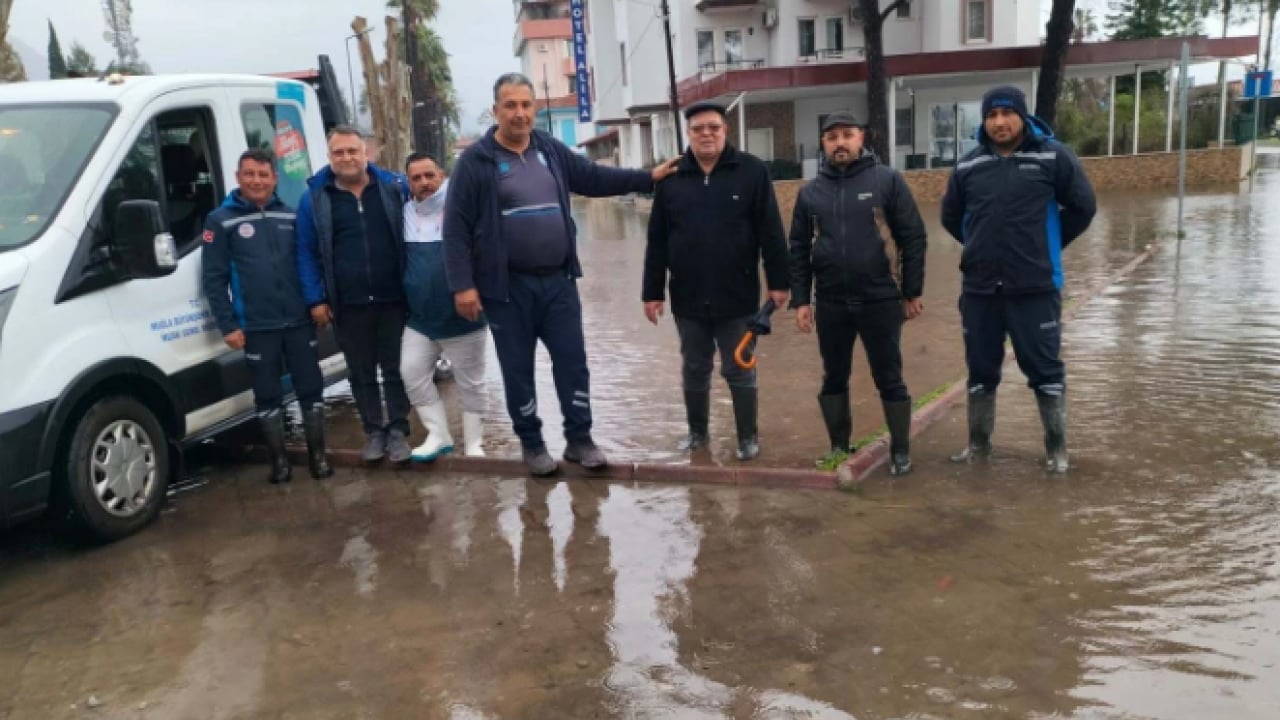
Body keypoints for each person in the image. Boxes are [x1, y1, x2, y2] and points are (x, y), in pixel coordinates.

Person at [443, 72, 679, 476]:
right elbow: (455, 228)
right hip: (507, 289)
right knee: (517, 368)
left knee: (573, 362)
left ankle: (580, 440)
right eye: (510, 105)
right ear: (495, 110)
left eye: (525, 105)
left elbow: (593, 178)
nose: (519, 114)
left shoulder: (549, 150)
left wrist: (647, 178)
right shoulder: (476, 163)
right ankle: (533, 445)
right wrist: (463, 285)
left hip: (558, 282)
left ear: (535, 108)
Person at [941, 85, 1097, 473]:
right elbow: (951, 218)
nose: (998, 122)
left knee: (1045, 370)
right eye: (991, 115)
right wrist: (981, 247)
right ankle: (979, 448)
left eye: (1007, 114)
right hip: (980, 290)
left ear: (1023, 116)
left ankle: (1056, 450)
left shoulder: (1053, 157)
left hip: (1035, 288)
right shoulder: (968, 166)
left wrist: (1045, 246)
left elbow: (1083, 206)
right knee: (980, 371)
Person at [642, 101, 789, 461]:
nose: (706, 134)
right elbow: (657, 238)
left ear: (725, 131)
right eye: (698, 129)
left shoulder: (752, 172)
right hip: (688, 296)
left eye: (713, 127)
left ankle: (747, 439)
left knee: (739, 366)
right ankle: (697, 436)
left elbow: (771, 231)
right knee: (694, 366)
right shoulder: (671, 178)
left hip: (737, 295)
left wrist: (780, 282)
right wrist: (652, 292)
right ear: (688, 134)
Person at [789, 111, 927, 475]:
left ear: (861, 138)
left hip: (881, 299)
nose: (840, 143)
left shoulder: (887, 181)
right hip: (831, 303)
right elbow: (798, 249)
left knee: (889, 376)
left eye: (847, 135)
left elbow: (913, 237)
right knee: (833, 376)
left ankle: (900, 450)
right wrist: (802, 300)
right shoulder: (810, 193)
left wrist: (911, 291)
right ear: (823, 143)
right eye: (832, 137)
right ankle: (838, 445)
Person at [202, 149, 333, 484]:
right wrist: (228, 324)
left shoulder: (290, 216)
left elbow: (312, 262)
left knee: (311, 389)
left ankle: (319, 458)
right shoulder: (220, 220)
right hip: (257, 327)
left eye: (263, 174)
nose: (256, 181)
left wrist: (318, 302)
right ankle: (280, 464)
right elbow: (213, 279)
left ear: (274, 178)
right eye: (249, 174)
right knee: (267, 395)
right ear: (238, 177)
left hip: (299, 321)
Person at [296, 125, 414, 464]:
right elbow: (305, 251)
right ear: (330, 157)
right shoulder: (315, 199)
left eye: (353, 151)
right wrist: (315, 299)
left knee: (396, 368)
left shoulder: (393, 188)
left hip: (394, 299)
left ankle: (397, 430)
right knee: (360, 371)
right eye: (339, 152)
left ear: (367, 153)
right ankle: (374, 431)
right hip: (347, 303)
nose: (347, 158)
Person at [400, 152, 488, 461]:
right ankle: (438, 435)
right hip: (421, 321)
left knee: (471, 382)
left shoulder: (464, 208)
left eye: (430, 175)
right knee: (411, 372)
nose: (424, 183)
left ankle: (474, 444)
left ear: (442, 176)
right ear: (407, 183)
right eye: (416, 178)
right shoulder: (405, 213)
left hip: (464, 318)